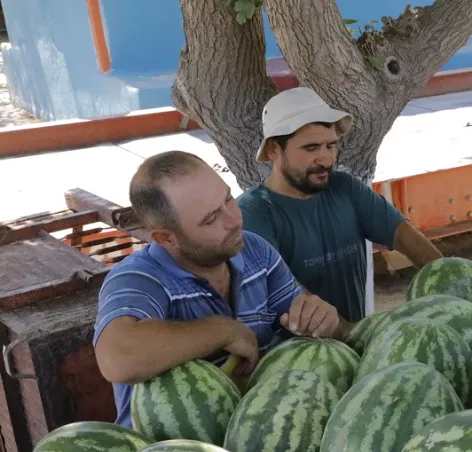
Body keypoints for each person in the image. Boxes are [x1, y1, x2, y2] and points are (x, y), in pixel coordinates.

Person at [93, 151, 345, 428]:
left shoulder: (255, 251)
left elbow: (309, 321)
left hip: (251, 433)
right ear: (167, 238)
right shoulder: (138, 278)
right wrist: (223, 331)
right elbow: (118, 357)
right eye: (211, 218)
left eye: (227, 198)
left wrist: (323, 320)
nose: (234, 220)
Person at [237, 87, 442, 327]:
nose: (326, 159)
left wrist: (451, 281)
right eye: (311, 148)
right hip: (301, 357)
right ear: (273, 149)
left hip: (354, 347)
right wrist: (357, 339)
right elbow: (294, 302)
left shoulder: (345, 188)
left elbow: (408, 239)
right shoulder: (253, 213)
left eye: (331, 146)